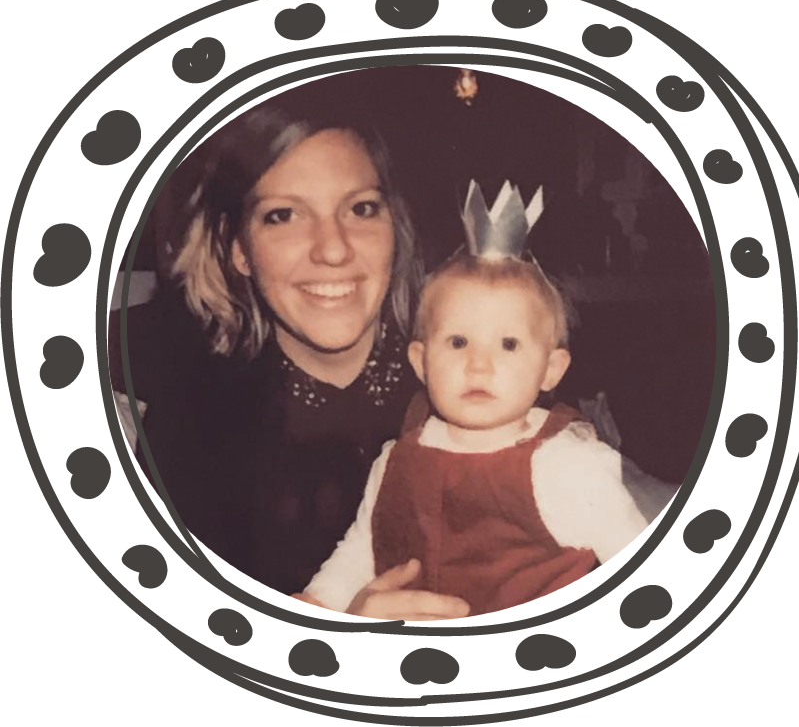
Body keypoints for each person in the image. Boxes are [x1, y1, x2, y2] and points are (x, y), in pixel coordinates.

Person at [110, 86, 468, 619]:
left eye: (361, 209)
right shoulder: (193, 433)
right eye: (283, 215)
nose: (333, 249)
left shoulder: (482, 372)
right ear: (239, 250)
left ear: (395, 227)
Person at [303, 185, 649, 618]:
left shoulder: (567, 465)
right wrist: (316, 603)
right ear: (421, 362)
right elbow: (360, 552)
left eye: (508, 344)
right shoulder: (394, 460)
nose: (478, 365)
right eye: (458, 342)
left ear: (550, 369)